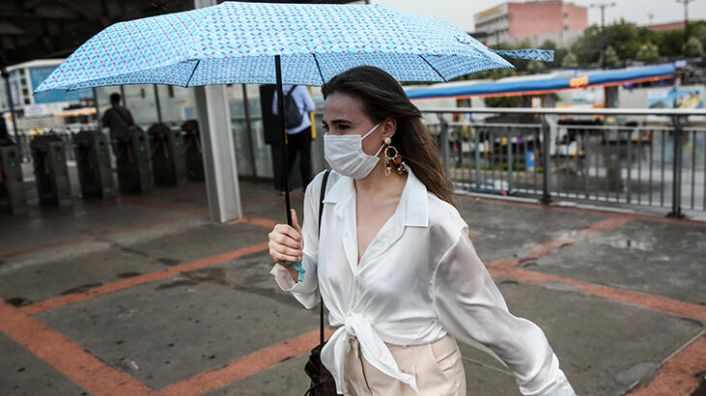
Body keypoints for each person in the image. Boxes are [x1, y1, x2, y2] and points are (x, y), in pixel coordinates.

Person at [267, 66, 576, 396]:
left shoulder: (435, 221)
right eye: (327, 126)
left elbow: (493, 324)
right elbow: (312, 287)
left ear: (386, 127)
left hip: (420, 380)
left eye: (344, 127)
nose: (332, 139)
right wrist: (292, 260)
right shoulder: (323, 191)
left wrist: (550, 388)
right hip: (347, 376)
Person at [272, 84, 316, 194]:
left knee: (289, 158)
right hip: (303, 127)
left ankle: (284, 187)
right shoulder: (300, 87)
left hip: (289, 130)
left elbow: (275, 110)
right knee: (305, 158)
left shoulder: (278, 90)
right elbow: (311, 107)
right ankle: (307, 187)